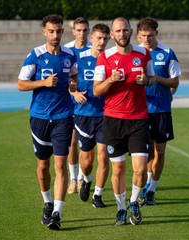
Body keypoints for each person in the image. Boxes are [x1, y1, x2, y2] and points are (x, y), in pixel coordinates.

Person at [18, 14, 78, 230]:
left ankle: (57, 213)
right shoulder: (35, 55)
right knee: (43, 166)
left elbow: (74, 77)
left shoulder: (70, 56)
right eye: (51, 31)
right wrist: (43, 82)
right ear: (44, 32)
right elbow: (21, 84)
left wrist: (74, 89)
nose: (55, 35)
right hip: (40, 118)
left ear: (63, 32)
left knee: (60, 164)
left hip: (63, 116)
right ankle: (47, 202)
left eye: (59, 31)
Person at [93, 17, 155, 226]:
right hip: (113, 120)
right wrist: (111, 79)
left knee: (139, 169)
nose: (122, 34)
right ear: (113, 34)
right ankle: (121, 208)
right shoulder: (105, 57)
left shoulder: (143, 54)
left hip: (138, 119)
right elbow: (96, 90)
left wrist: (146, 80)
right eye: (118, 31)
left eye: (125, 30)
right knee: (118, 170)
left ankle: (134, 202)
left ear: (131, 32)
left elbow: (152, 78)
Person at [136, 17, 181, 206]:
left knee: (160, 152)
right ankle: (146, 186)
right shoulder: (134, 53)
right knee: (146, 153)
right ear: (138, 35)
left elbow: (174, 82)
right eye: (143, 36)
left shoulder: (168, 53)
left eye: (151, 36)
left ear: (157, 34)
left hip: (161, 110)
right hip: (139, 110)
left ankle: (152, 189)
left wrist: (155, 79)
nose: (147, 39)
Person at [70, 23, 111, 208]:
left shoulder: (111, 59)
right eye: (98, 38)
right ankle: (85, 179)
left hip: (105, 114)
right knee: (87, 161)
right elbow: (70, 82)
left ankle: (98, 195)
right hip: (83, 115)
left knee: (103, 156)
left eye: (105, 38)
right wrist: (74, 93)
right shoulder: (79, 58)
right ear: (92, 38)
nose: (102, 42)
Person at [64, 17, 92, 195]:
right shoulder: (66, 50)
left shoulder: (94, 49)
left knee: (85, 146)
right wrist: (73, 93)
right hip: (69, 104)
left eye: (85, 30)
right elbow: (62, 78)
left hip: (90, 107)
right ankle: (73, 179)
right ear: (73, 31)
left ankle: (82, 177)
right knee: (72, 142)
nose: (82, 34)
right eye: (79, 30)